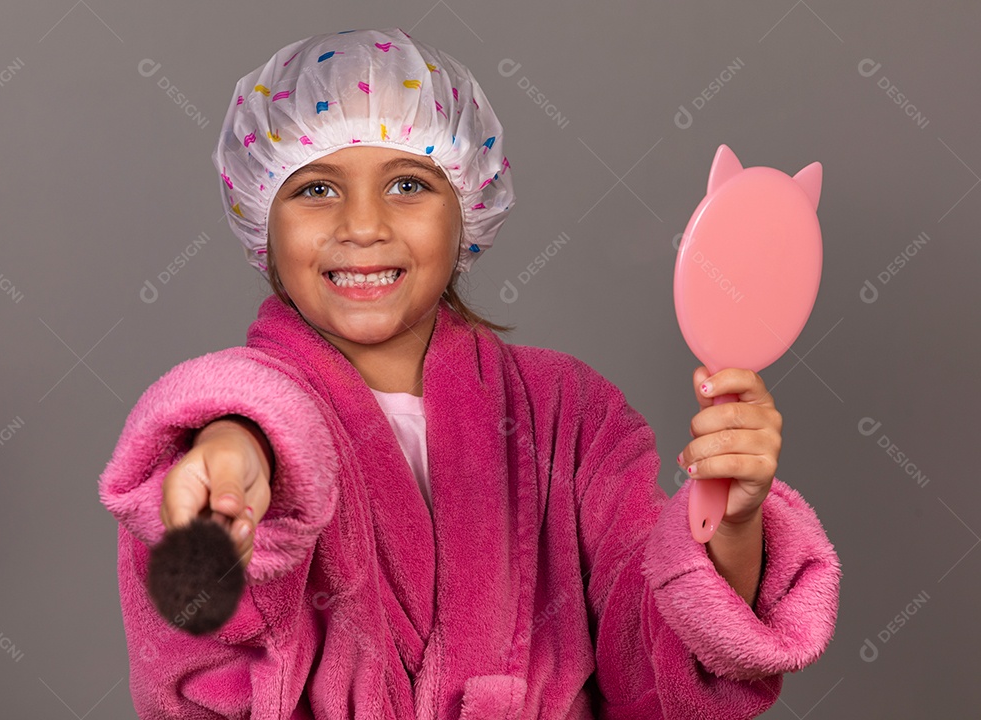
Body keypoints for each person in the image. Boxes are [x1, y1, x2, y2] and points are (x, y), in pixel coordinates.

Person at [98, 27, 841, 719]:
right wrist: (238, 451)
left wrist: (735, 522)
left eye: (409, 185)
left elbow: (664, 681)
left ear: (469, 209)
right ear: (262, 215)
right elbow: (196, 678)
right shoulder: (215, 444)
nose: (363, 225)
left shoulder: (568, 415)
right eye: (316, 189)